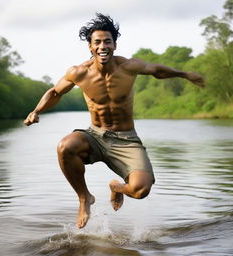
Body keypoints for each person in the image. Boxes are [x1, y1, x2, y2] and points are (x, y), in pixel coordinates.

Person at [24, 13, 204, 228]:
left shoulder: (129, 67)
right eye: (97, 42)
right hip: (95, 135)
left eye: (107, 41)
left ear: (115, 45)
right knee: (65, 147)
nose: (102, 46)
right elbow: (55, 92)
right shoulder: (79, 72)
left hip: (126, 139)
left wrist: (184, 74)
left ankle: (116, 187)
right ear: (90, 47)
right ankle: (84, 198)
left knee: (140, 190)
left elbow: (157, 71)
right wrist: (36, 110)